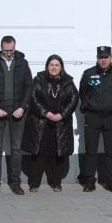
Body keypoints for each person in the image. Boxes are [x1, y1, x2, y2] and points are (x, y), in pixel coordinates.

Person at [21, 55, 77, 193]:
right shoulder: (39, 80)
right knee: (38, 154)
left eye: (57, 65)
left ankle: (56, 182)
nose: (54, 68)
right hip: (40, 123)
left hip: (60, 125)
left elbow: (74, 100)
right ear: (47, 66)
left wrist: (61, 115)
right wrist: (46, 113)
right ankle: (34, 183)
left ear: (61, 67)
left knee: (57, 154)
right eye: (51, 65)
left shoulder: (68, 82)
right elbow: (33, 98)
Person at [0, 35, 32, 195]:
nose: (9, 53)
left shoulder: (23, 63)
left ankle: (15, 182)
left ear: (15, 48)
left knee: (16, 149)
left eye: (11, 50)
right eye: (6, 51)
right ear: (1, 48)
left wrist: (23, 107)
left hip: (18, 111)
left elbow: (28, 87)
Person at [78, 46, 112, 193]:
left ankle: (110, 182)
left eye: (106, 57)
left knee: (110, 151)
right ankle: (89, 182)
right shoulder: (89, 74)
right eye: (101, 57)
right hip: (93, 117)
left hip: (111, 117)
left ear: (111, 58)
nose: (103, 60)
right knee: (90, 151)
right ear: (97, 58)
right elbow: (83, 93)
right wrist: (88, 107)